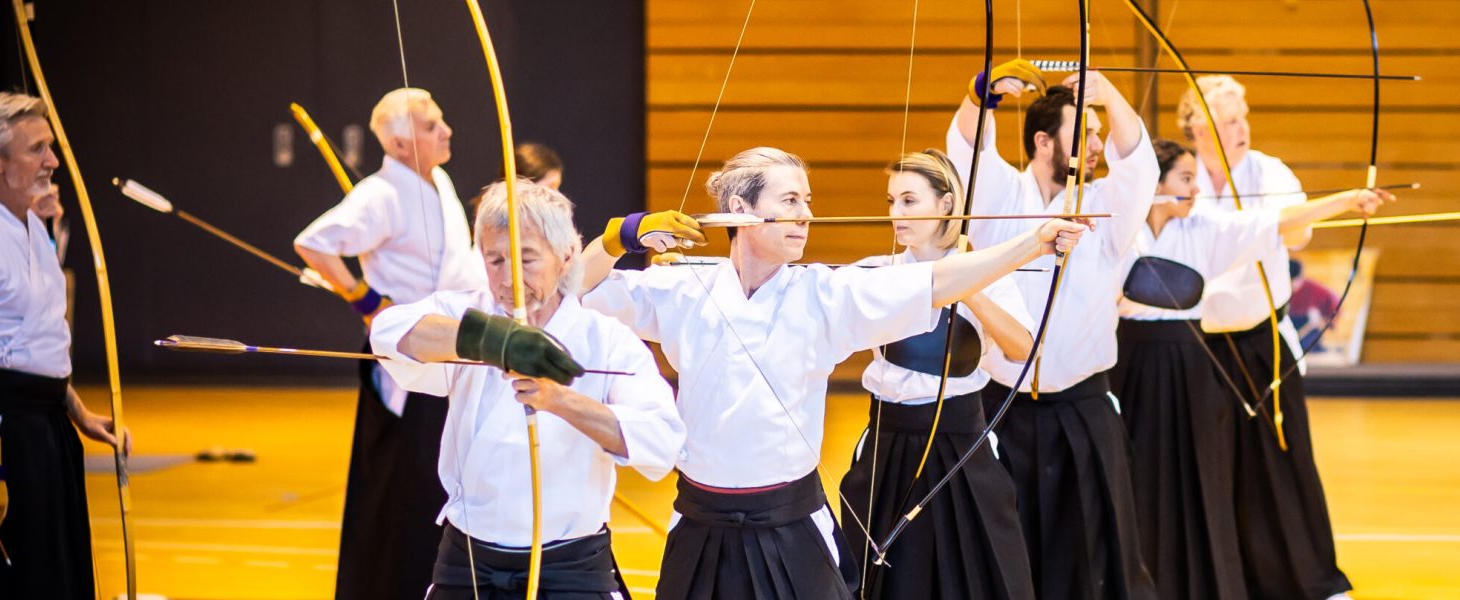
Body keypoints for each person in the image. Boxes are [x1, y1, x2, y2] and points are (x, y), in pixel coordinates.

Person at [579, 146, 1087, 599]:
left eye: (808, 201)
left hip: (791, 525)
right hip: (699, 521)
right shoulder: (680, 291)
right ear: (739, 210)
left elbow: (935, 281)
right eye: (790, 201)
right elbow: (572, 294)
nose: (806, 215)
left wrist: (1033, 244)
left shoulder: (826, 294)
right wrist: (618, 238)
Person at [371, 180, 683, 599]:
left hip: (570, 569)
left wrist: (560, 400)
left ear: (567, 255)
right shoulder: (469, 315)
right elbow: (389, 333)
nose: (509, 277)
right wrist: (490, 341)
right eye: (495, 259)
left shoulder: (605, 338)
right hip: (469, 563)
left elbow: (661, 441)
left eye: (527, 258)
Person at [1112, 139, 1387, 599]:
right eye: (1184, 179)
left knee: (1198, 480)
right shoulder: (1120, 231)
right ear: (1154, 186)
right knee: (1135, 479)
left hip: (1188, 368)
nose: (1196, 188)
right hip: (1132, 369)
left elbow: (1276, 221)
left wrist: (1346, 200)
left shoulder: (1204, 228)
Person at [948, 59, 1159, 599]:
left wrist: (1109, 94)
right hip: (1001, 407)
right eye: (1084, 131)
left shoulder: (1108, 205)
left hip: (1082, 408)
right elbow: (969, 152)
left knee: (1092, 546)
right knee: (1004, 544)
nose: (1096, 141)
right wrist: (983, 94)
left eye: (1098, 132)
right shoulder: (1001, 200)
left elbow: (1138, 166)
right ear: (1043, 141)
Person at [294, 87, 486, 600]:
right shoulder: (380, 194)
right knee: (407, 487)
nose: (445, 130)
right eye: (431, 125)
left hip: (451, 350)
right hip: (409, 357)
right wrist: (366, 300)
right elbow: (313, 244)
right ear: (401, 144)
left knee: (438, 481)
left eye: (441, 120)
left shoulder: (437, 180)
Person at [1177, 75, 1357, 600]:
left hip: (1263, 343)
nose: (1242, 128)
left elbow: (1297, 232)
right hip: (1200, 349)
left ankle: (1313, 582)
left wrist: (1259, 219)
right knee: (1209, 467)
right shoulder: (1182, 180)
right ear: (1197, 128)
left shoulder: (1268, 170)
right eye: (1228, 120)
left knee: (1283, 461)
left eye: (1243, 116)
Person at [837, 149, 1036, 600]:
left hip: (959, 443)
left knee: (977, 572)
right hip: (888, 443)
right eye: (891, 201)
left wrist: (968, 283)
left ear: (946, 204)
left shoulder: (987, 270)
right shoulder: (878, 272)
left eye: (909, 200)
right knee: (884, 576)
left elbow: (1023, 348)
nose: (895, 213)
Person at [0, 92, 126, 599]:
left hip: (48, 432)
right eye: (37, 148)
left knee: (57, 576)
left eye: (52, 148)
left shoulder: (32, 225)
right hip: (3, 434)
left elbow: (37, 344)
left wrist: (79, 413)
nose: (53, 161)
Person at [1286, 259, 1341, 353]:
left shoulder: (1318, 292)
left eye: (1291, 282)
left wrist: (1324, 320)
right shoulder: (1283, 290)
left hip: (1309, 333)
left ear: (1299, 278)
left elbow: (1334, 307)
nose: (1289, 286)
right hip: (1290, 329)